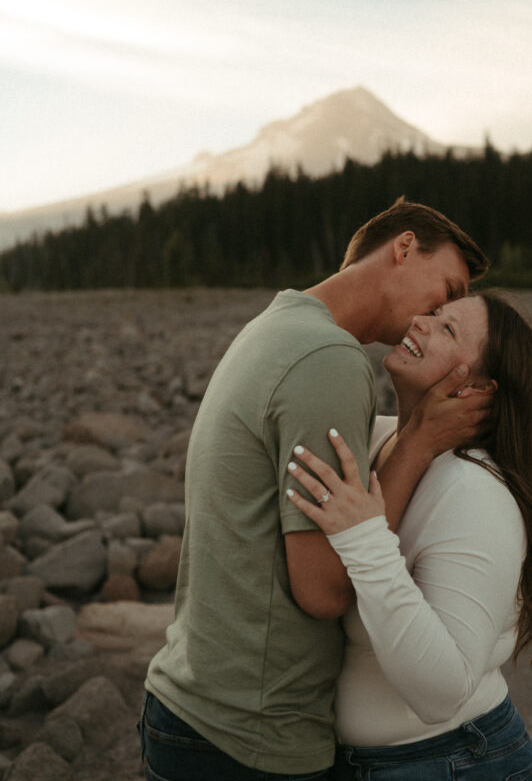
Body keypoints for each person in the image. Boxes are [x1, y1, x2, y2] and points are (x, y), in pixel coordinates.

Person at [140, 198, 494, 780]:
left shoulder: (277, 324)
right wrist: (420, 441)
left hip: (194, 708)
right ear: (403, 248)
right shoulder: (328, 358)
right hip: (249, 735)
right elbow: (323, 589)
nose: (441, 310)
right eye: (448, 287)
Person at [286, 290, 532, 780]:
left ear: (478, 390)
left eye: (448, 330)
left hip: (452, 762)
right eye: (435, 314)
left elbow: (443, 692)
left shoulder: (474, 490)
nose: (419, 321)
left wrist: (365, 541)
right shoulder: (380, 439)